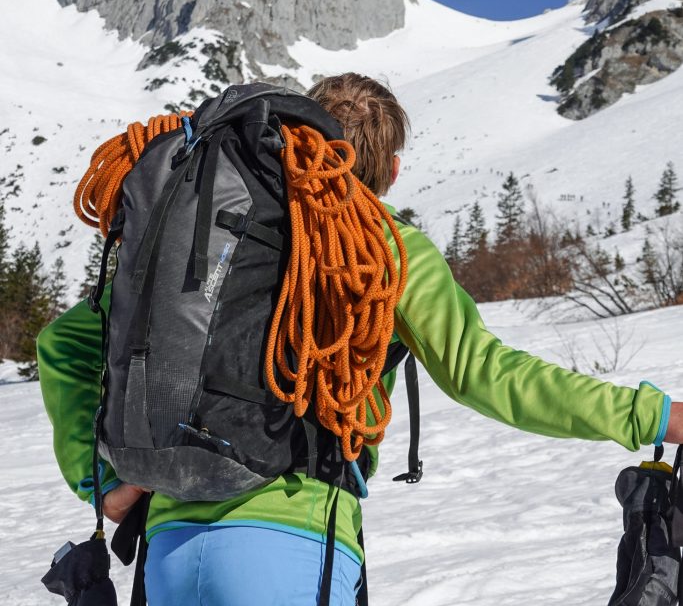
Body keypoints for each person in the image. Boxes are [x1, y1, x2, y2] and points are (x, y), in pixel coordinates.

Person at [38, 72, 683, 606]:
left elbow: (63, 346)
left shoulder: (225, 233)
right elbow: (485, 372)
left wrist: (104, 484)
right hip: (294, 540)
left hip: (168, 548)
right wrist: (653, 415)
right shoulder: (382, 246)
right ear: (393, 170)